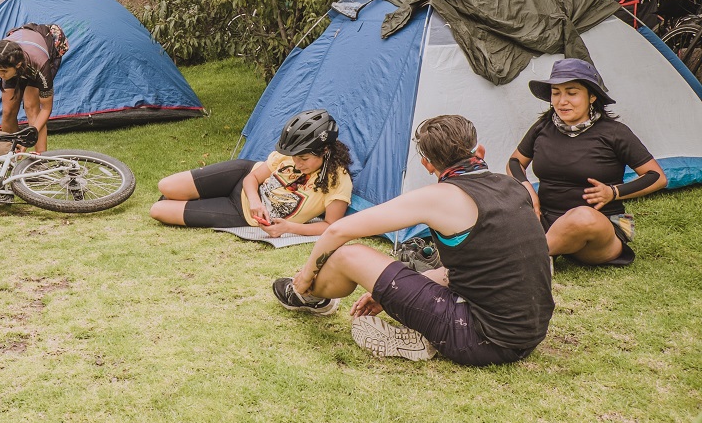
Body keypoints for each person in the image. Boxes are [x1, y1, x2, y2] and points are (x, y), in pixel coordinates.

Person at [273, 114, 554, 366]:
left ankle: (306, 296)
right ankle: (422, 333)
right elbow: (477, 270)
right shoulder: (514, 187)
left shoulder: (439, 197)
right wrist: (390, 292)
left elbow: (337, 231)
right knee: (426, 271)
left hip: (480, 340)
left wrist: (305, 275)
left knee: (350, 255)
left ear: (426, 163)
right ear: (480, 151)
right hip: (528, 336)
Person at [507, 58, 666, 267]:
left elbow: (657, 177)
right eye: (556, 93)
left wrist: (614, 192)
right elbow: (515, 161)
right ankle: (543, 252)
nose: (562, 101)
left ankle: (523, 260)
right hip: (546, 220)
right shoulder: (543, 127)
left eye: (571, 93)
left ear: (592, 96)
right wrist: (526, 188)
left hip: (598, 228)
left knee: (582, 217)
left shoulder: (615, 133)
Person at [150, 109, 353, 236]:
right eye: (294, 158)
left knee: (158, 210)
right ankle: (186, 196)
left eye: (304, 159)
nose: (297, 163)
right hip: (240, 176)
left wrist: (289, 228)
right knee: (166, 186)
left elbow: (330, 225)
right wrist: (255, 201)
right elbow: (253, 177)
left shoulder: (338, 181)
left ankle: (188, 199)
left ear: (325, 151)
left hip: (241, 212)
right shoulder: (289, 156)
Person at [0, 22, 66, 152]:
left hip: (48, 46)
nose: (0, 75)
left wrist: (31, 132)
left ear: (18, 66)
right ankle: (10, 153)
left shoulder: (40, 64)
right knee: (8, 110)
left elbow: (46, 109)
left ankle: (40, 160)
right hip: (20, 50)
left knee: (31, 107)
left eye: (3, 71)